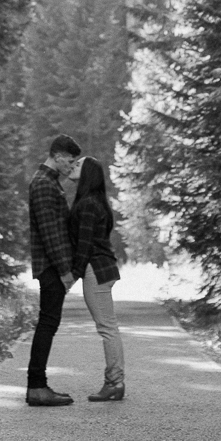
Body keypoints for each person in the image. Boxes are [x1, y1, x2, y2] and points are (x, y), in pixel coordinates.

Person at [25, 134, 82, 406]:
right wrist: (65, 271)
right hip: (50, 267)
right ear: (58, 156)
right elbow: (51, 234)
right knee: (47, 324)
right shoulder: (44, 184)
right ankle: (36, 386)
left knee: (48, 323)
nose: (71, 166)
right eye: (70, 161)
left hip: (50, 266)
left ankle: (38, 385)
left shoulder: (48, 182)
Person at [69, 156, 125, 401]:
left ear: (88, 172)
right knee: (108, 327)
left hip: (96, 269)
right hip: (100, 268)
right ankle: (115, 381)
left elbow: (85, 244)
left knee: (107, 328)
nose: (73, 165)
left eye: (78, 164)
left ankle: (114, 382)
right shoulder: (93, 201)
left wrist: (73, 274)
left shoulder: (89, 203)